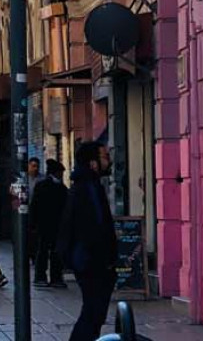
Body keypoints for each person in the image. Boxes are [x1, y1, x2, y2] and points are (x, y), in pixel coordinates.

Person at [58, 142, 118, 341]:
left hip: (88, 259)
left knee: (94, 312)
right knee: (93, 312)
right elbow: (96, 226)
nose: (108, 161)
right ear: (93, 163)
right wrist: (106, 260)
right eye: (104, 157)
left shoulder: (86, 186)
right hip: (91, 261)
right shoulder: (89, 189)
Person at [32, 159, 69, 288]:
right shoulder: (59, 188)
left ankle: (46, 277)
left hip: (50, 225)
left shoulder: (48, 186)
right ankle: (49, 277)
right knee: (48, 251)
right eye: (61, 173)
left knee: (48, 251)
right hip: (50, 225)